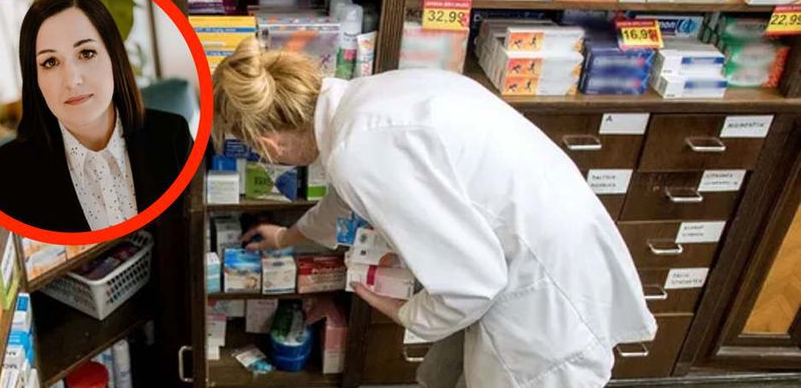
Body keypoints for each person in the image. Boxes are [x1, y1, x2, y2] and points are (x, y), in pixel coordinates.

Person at [214, 37, 656, 388]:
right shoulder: (368, 98)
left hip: (541, 299)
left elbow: (471, 286)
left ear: (267, 145)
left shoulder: (357, 148)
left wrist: (405, 312)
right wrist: (286, 237)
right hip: (559, 246)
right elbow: (344, 201)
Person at [0, 0, 192, 232]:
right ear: (34, 79)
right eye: (50, 62)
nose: (72, 80)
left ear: (114, 57)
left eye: (86, 53)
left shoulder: (173, 136)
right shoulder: (9, 174)